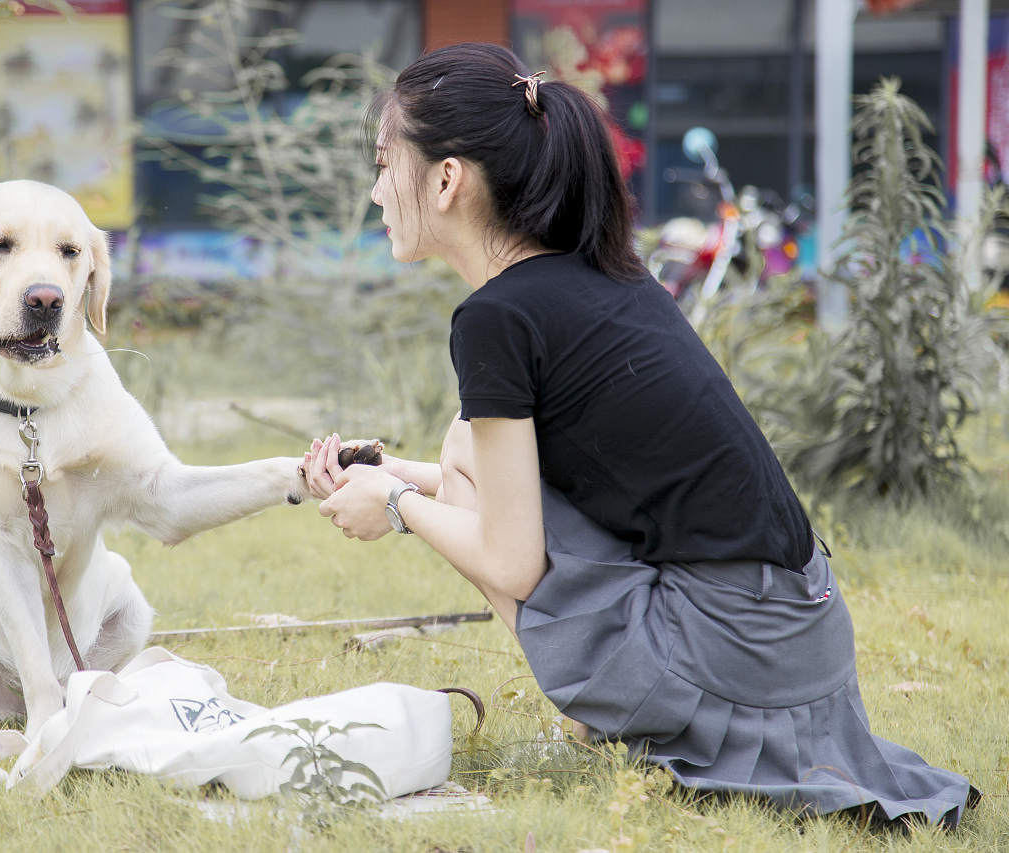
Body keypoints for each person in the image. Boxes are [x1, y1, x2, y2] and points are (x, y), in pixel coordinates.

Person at [302, 43, 977, 828]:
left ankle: (613, 718)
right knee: (456, 455)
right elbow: (540, 488)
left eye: (385, 164)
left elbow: (512, 559)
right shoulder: (601, 275)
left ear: (447, 179)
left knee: (460, 459)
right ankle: (617, 709)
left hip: (739, 655)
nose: (377, 188)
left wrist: (392, 506)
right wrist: (388, 476)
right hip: (800, 635)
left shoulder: (496, 318)